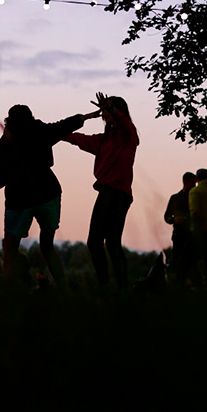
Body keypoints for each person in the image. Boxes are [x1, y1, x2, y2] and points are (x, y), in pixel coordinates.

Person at [0, 104, 100, 291]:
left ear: (9, 121)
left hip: (19, 200)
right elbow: (62, 126)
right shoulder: (40, 131)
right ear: (31, 118)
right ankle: (64, 292)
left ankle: (9, 294)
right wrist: (86, 117)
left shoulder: (3, 145)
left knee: (10, 252)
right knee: (47, 247)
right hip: (48, 194)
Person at [63, 93, 139, 292]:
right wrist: (56, 133)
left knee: (100, 241)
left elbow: (125, 125)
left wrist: (113, 110)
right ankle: (116, 291)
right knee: (108, 243)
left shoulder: (128, 134)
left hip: (116, 192)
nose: (104, 112)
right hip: (111, 191)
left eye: (108, 108)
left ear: (118, 110)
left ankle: (111, 289)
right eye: (104, 108)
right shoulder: (104, 140)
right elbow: (79, 139)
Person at [164, 172, 198, 286]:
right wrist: (174, 220)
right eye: (193, 183)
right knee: (177, 261)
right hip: (178, 235)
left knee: (192, 263)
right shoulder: (175, 198)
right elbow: (167, 216)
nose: (195, 185)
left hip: (192, 236)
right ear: (186, 182)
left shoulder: (196, 198)